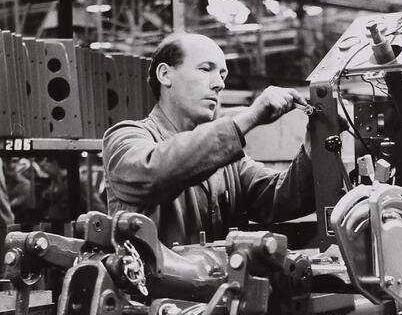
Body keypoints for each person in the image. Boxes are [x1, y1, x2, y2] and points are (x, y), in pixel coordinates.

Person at [102, 32, 315, 246]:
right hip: (152, 280)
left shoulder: (228, 161)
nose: (219, 84)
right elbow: (156, 171)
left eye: (222, 75)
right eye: (206, 69)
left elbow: (280, 197)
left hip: (219, 279)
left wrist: (313, 148)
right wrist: (249, 118)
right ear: (165, 74)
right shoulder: (124, 139)